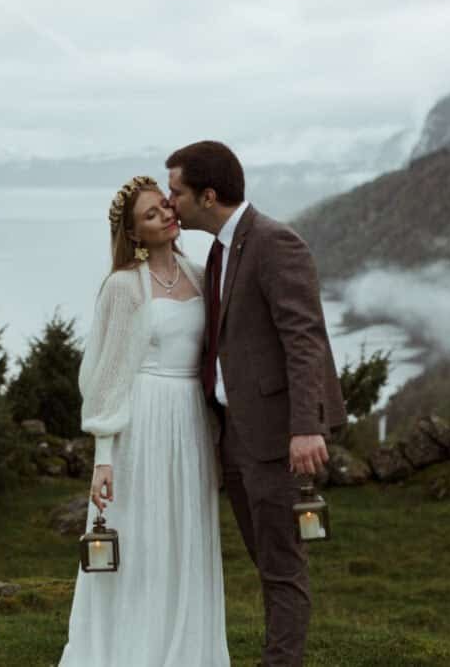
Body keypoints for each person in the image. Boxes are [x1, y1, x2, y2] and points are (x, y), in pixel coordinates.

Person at [165, 141, 347, 667]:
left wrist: (306, 427)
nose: (170, 202)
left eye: (176, 192)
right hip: (236, 434)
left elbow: (305, 338)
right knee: (265, 561)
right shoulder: (221, 250)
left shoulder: (274, 243)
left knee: (282, 568)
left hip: (275, 438)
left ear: (208, 195)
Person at [57, 175, 230, 666]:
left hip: (190, 426)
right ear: (134, 235)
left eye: (165, 206)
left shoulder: (200, 274)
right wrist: (104, 459)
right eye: (151, 215)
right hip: (141, 425)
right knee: (140, 544)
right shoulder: (122, 287)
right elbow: (106, 376)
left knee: (184, 543)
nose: (166, 216)